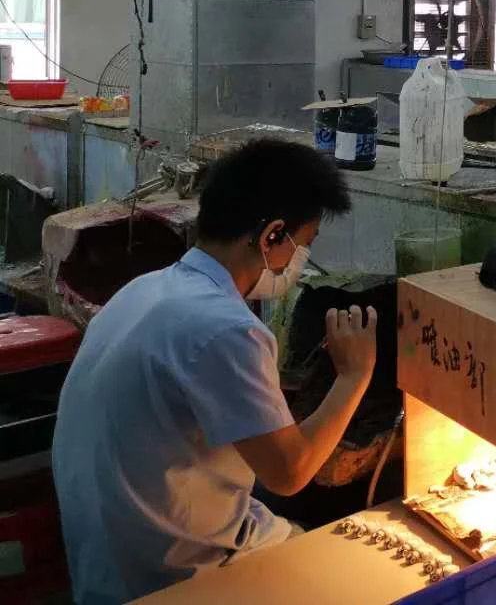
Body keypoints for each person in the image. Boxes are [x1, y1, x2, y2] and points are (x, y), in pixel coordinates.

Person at [52, 139, 372, 604]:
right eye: (302, 246)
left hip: (102, 560)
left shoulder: (143, 291)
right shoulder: (225, 330)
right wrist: (353, 376)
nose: (295, 265)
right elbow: (290, 471)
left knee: (276, 518)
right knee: (346, 574)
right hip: (167, 577)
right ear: (271, 236)